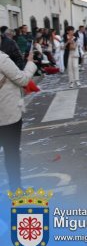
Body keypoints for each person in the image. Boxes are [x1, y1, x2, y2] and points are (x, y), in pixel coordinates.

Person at [0, 35, 37, 190]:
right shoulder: (2, 59)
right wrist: (30, 63)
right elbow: (22, 80)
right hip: (6, 115)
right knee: (12, 153)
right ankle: (16, 188)